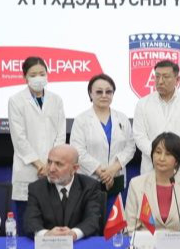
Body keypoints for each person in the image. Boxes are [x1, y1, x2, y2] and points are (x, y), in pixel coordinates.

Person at [8, 56, 66, 219]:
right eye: (33, 75)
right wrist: (40, 165)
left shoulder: (56, 100)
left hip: (54, 168)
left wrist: (51, 164)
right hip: (28, 169)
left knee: (53, 221)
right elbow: (19, 138)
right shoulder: (16, 101)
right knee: (27, 221)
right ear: (24, 76)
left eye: (42, 73)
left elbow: (61, 133)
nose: (38, 78)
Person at [70, 73, 136, 214]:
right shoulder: (81, 120)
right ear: (90, 93)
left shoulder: (122, 118)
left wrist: (113, 170)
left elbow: (130, 147)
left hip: (116, 180)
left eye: (108, 91)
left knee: (114, 222)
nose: (104, 95)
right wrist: (102, 172)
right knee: (91, 222)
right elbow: (78, 151)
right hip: (89, 181)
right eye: (99, 92)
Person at [132, 60, 180, 175]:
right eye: (157, 76)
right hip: (151, 169)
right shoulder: (143, 104)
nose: (160, 81)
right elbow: (139, 136)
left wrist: (174, 157)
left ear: (177, 79)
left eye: (166, 77)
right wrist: (158, 156)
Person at [125, 132, 180, 233]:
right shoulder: (136, 184)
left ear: (177, 160)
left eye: (168, 154)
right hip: (146, 242)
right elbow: (130, 229)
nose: (161, 158)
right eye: (158, 152)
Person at [24, 145, 104, 240]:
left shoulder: (89, 186)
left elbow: (92, 219)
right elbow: (31, 221)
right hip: (48, 244)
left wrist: (74, 233)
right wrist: (46, 234)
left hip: (79, 243)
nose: (51, 169)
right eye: (49, 162)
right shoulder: (37, 188)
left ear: (74, 168)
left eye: (59, 164)